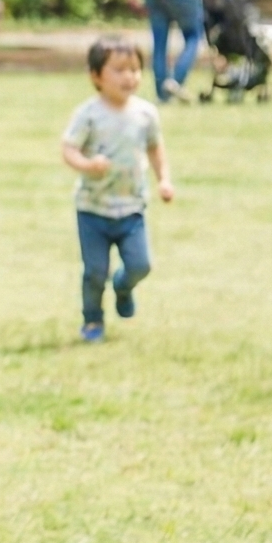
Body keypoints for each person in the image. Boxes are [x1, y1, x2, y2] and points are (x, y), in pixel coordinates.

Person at [59, 35, 174, 343]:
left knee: (141, 264)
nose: (129, 77)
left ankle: (124, 286)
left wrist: (164, 180)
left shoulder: (146, 114)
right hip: (92, 209)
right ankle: (92, 320)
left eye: (135, 69)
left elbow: (155, 148)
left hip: (131, 208)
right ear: (96, 76)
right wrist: (87, 165)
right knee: (95, 272)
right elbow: (68, 149)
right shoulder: (89, 114)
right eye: (119, 70)